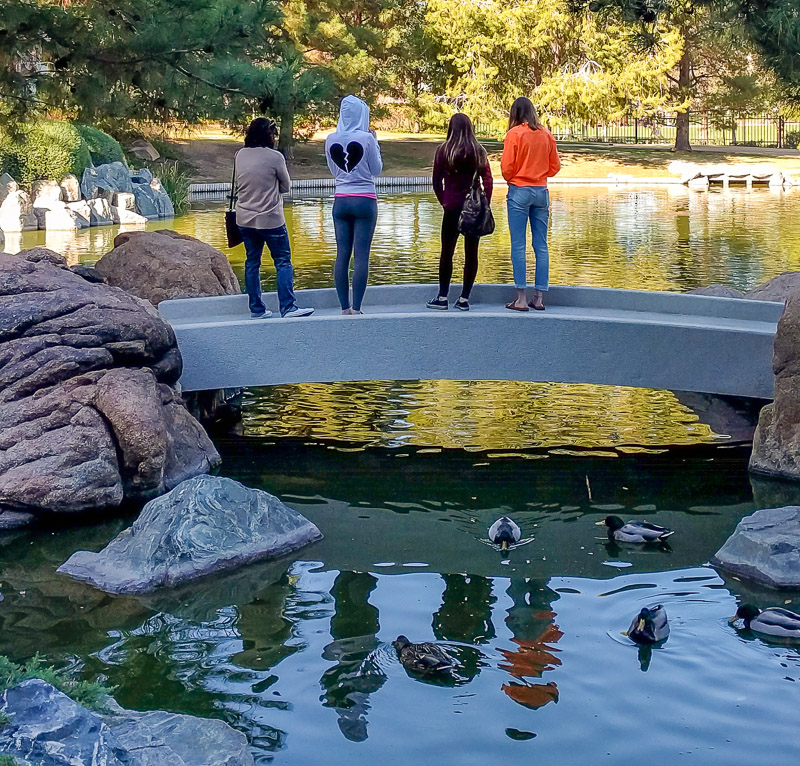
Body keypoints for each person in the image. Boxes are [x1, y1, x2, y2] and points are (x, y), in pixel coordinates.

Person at [234, 117, 314, 319]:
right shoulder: (275, 157)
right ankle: (287, 307)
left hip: (244, 218)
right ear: (269, 135)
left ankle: (256, 309)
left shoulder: (240, 155)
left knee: (252, 262)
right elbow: (286, 187)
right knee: (283, 261)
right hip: (270, 219)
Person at [427, 113, 493, 311]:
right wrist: (484, 203)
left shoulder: (443, 150)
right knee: (471, 254)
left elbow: (436, 181)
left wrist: (444, 201)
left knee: (447, 252)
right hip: (472, 209)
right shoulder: (478, 150)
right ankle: (464, 299)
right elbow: (488, 180)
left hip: (451, 208)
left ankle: (442, 296)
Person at [500, 97, 561, 311]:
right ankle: (539, 297)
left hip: (519, 190)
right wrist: (540, 174)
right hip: (541, 191)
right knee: (541, 245)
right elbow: (555, 167)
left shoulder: (514, 134)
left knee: (518, 244)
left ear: (514, 113)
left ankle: (521, 299)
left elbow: (506, 168)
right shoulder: (546, 134)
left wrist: (517, 177)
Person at [325, 96, 383, 315]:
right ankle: (357, 307)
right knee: (361, 255)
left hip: (341, 200)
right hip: (365, 200)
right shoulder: (367, 139)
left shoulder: (330, 139)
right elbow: (376, 170)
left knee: (342, 254)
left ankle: (343, 307)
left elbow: (333, 171)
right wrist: (375, 143)